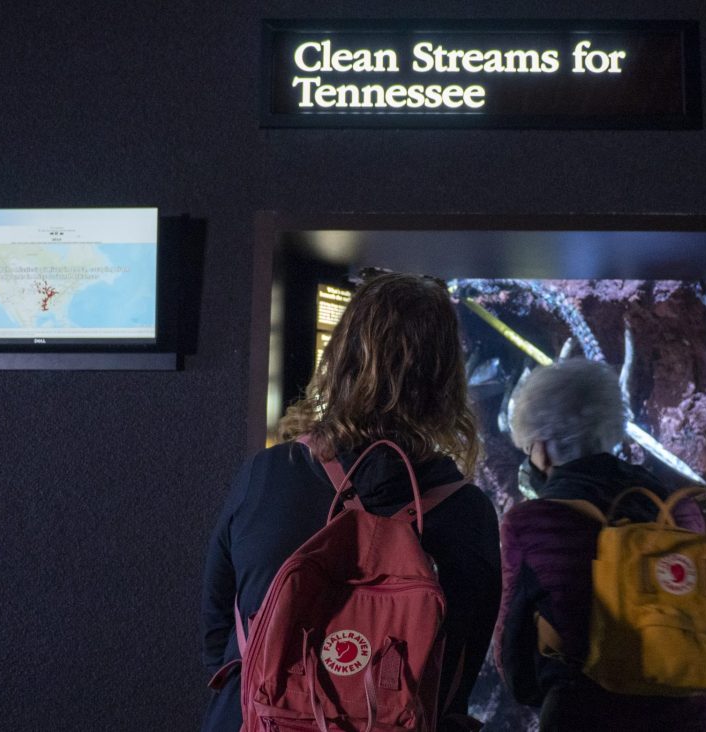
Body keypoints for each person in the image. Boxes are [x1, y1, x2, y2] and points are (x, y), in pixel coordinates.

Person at [200, 271, 501, 732]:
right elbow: (459, 669)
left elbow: (218, 630)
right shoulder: (467, 512)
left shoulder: (269, 475)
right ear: (446, 378)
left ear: (340, 358)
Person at [495, 357, 706, 732]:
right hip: (689, 716)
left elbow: (515, 663)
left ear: (544, 447)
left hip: (586, 715)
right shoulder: (678, 509)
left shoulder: (536, 522)